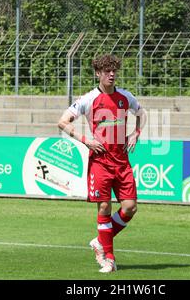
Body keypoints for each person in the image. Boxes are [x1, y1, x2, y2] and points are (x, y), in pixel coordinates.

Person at [58, 54, 146, 273]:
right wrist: (86, 141)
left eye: (114, 70)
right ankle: (109, 258)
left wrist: (136, 132)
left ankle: (99, 241)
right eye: (107, 71)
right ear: (98, 73)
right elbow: (62, 121)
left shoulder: (125, 96)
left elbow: (142, 112)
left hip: (122, 162)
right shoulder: (88, 99)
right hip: (101, 162)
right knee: (104, 206)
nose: (112, 74)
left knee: (130, 207)